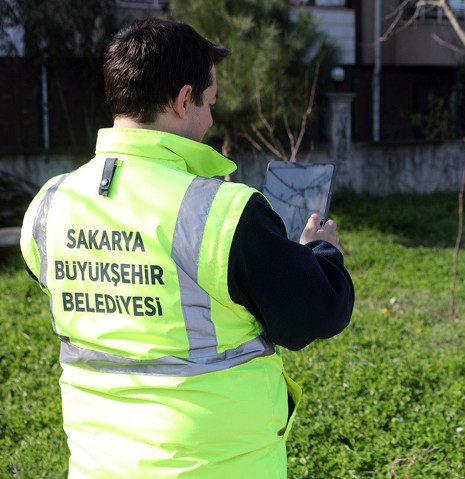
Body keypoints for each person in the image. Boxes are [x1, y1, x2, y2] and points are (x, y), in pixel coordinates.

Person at [19, 18, 354, 478]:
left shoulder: (50, 202)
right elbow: (315, 315)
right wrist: (321, 253)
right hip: (219, 466)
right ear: (183, 101)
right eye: (209, 103)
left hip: (98, 465)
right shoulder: (223, 212)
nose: (211, 120)